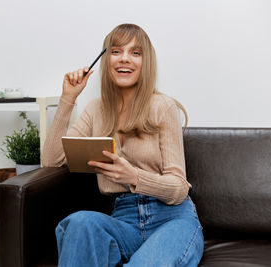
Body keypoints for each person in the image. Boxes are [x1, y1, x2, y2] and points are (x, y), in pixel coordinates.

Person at [41, 23, 204, 267]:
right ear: (106, 60)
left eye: (135, 53)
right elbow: (50, 160)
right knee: (79, 223)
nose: (124, 59)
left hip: (171, 219)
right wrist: (68, 99)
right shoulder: (95, 110)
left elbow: (179, 188)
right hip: (123, 219)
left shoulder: (162, 106)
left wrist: (135, 176)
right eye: (116, 51)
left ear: (145, 63)